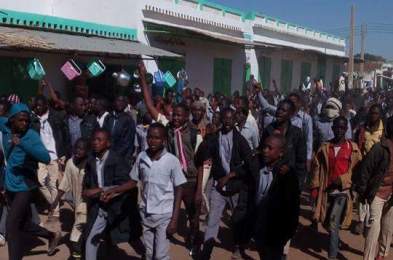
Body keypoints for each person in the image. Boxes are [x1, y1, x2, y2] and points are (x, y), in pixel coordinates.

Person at [102, 123, 186, 260]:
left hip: (164, 214)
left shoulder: (172, 161)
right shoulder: (142, 157)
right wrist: (114, 190)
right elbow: (133, 181)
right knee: (148, 253)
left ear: (164, 140)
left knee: (160, 255)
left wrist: (174, 219)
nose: (152, 141)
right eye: (150, 137)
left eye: (157, 138)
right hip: (146, 213)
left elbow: (179, 189)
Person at [0, 103, 61, 260]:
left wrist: (22, 144)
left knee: (11, 225)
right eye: (21, 120)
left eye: (27, 121)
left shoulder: (31, 136)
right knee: (24, 224)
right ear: (12, 120)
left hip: (25, 186)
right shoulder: (6, 127)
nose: (24, 124)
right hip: (10, 184)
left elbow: (46, 158)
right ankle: (51, 235)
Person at [200, 108, 258, 260]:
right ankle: (207, 250)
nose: (227, 121)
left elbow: (250, 163)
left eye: (230, 119)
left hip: (236, 187)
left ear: (235, 121)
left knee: (238, 220)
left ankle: (239, 247)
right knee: (213, 219)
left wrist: (231, 175)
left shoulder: (240, 140)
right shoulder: (214, 138)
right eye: (225, 118)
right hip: (218, 187)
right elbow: (201, 155)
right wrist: (204, 141)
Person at [311, 116, 362, 260]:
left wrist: (343, 181)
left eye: (342, 127)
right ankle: (336, 239)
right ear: (332, 128)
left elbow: (357, 170)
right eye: (337, 127)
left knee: (333, 223)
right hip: (326, 190)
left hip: (342, 192)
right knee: (326, 221)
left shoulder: (353, 149)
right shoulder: (325, 147)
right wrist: (315, 187)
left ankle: (332, 256)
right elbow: (317, 168)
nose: (339, 130)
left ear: (346, 129)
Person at [82, 129, 132, 260]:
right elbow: (88, 182)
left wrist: (100, 190)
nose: (95, 143)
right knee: (91, 239)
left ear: (108, 143)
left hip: (117, 207)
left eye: (99, 140)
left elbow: (127, 184)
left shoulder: (116, 159)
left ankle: (146, 254)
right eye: (94, 139)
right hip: (100, 207)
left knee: (130, 237)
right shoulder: (91, 160)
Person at [254, 134, 300, 260]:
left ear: (280, 153)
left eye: (270, 148)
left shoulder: (287, 175)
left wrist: (289, 231)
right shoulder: (258, 167)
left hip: (276, 229)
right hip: (259, 224)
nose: (265, 150)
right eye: (264, 147)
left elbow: (293, 206)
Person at [354, 116, 393, 260]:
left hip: (391, 195)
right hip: (377, 193)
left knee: (388, 228)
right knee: (373, 228)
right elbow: (365, 170)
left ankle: (381, 255)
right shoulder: (379, 148)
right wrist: (363, 192)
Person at [31, 95, 70, 219]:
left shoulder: (55, 118)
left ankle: (56, 211)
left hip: (53, 156)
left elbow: (64, 135)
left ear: (46, 106)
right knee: (40, 181)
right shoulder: (34, 120)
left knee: (52, 183)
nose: (37, 107)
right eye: (36, 105)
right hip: (41, 155)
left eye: (40, 105)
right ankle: (53, 204)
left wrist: (63, 153)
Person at [51, 138, 88, 259]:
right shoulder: (70, 163)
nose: (78, 151)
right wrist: (56, 199)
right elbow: (65, 182)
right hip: (77, 202)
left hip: (88, 203)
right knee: (83, 227)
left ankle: (76, 254)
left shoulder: (90, 163)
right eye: (77, 147)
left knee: (77, 228)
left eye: (82, 149)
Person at [261, 99, 307, 189]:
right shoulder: (268, 130)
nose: (279, 112)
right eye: (278, 109)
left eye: (283, 110)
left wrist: (297, 182)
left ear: (290, 114)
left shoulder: (296, 133)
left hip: (288, 180)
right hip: (268, 178)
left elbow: (301, 161)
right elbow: (261, 151)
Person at [354, 104, 384, 235]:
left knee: (372, 193)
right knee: (361, 192)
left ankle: (369, 222)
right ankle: (361, 221)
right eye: (372, 113)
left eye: (376, 113)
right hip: (363, 165)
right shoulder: (363, 128)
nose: (373, 116)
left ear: (380, 115)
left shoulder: (384, 130)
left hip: (377, 168)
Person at [104, 95, 136, 165]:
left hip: (121, 157)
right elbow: (104, 134)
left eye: (123, 101)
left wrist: (116, 155)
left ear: (125, 104)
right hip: (106, 155)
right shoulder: (108, 117)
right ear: (114, 102)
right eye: (118, 100)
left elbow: (128, 142)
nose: (120, 103)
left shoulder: (129, 120)